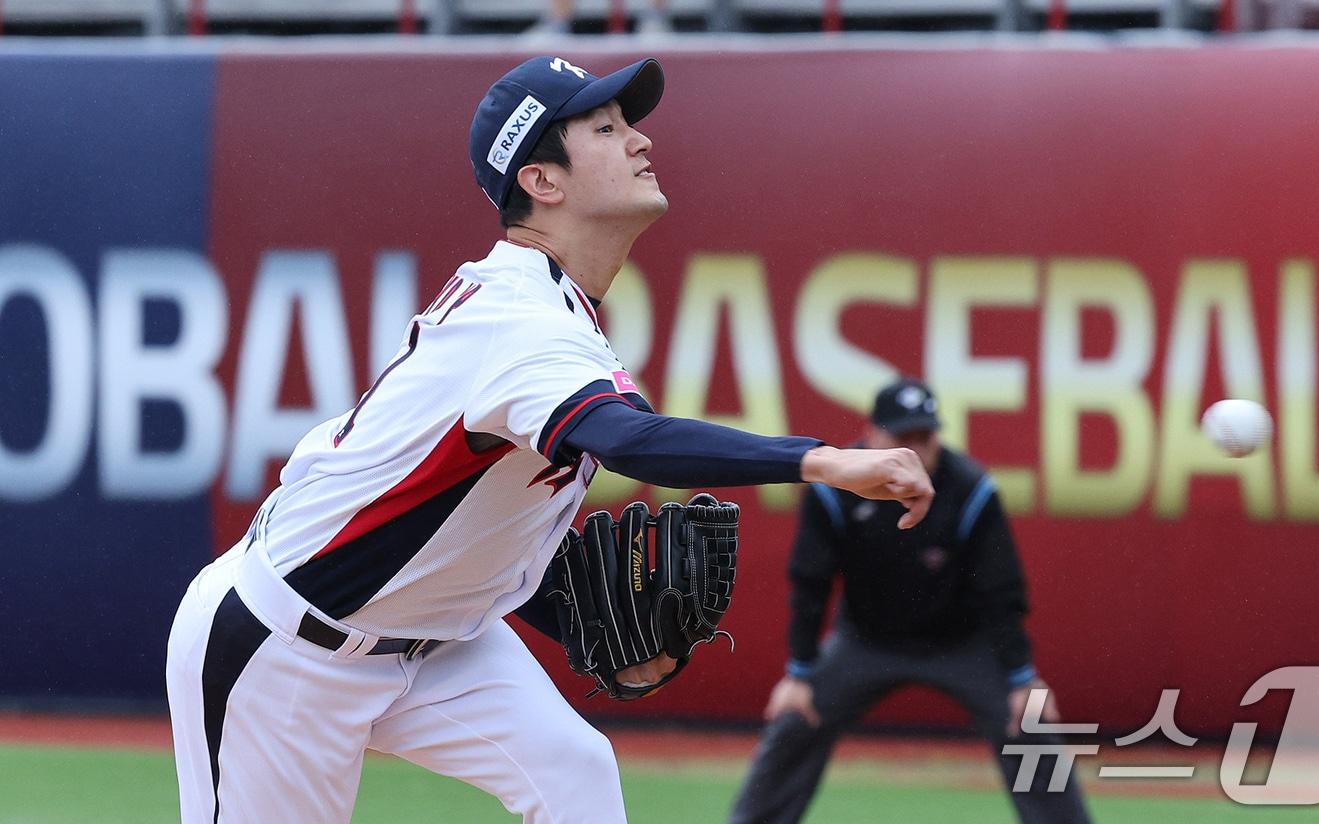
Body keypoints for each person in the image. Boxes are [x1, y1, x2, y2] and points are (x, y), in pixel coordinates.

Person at [165, 56, 932, 824]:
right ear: (543, 181)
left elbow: (487, 525)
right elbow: (629, 439)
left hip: (436, 640)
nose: (639, 141)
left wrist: (581, 627)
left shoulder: (557, 313)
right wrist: (821, 459)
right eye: (605, 128)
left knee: (575, 773)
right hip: (284, 650)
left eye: (629, 123)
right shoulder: (519, 322)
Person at [729, 378, 1092, 824]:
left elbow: (1001, 590)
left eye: (925, 436)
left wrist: (1022, 678)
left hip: (964, 642)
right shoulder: (834, 485)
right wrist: (800, 672)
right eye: (903, 437)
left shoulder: (971, 489)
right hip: (865, 641)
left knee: (1029, 721)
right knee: (797, 716)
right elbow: (811, 582)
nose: (916, 449)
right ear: (872, 435)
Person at [527, 0, 672, 36]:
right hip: (559, 25)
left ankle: (655, 15)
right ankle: (556, 21)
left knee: (653, 32)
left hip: (648, 26)